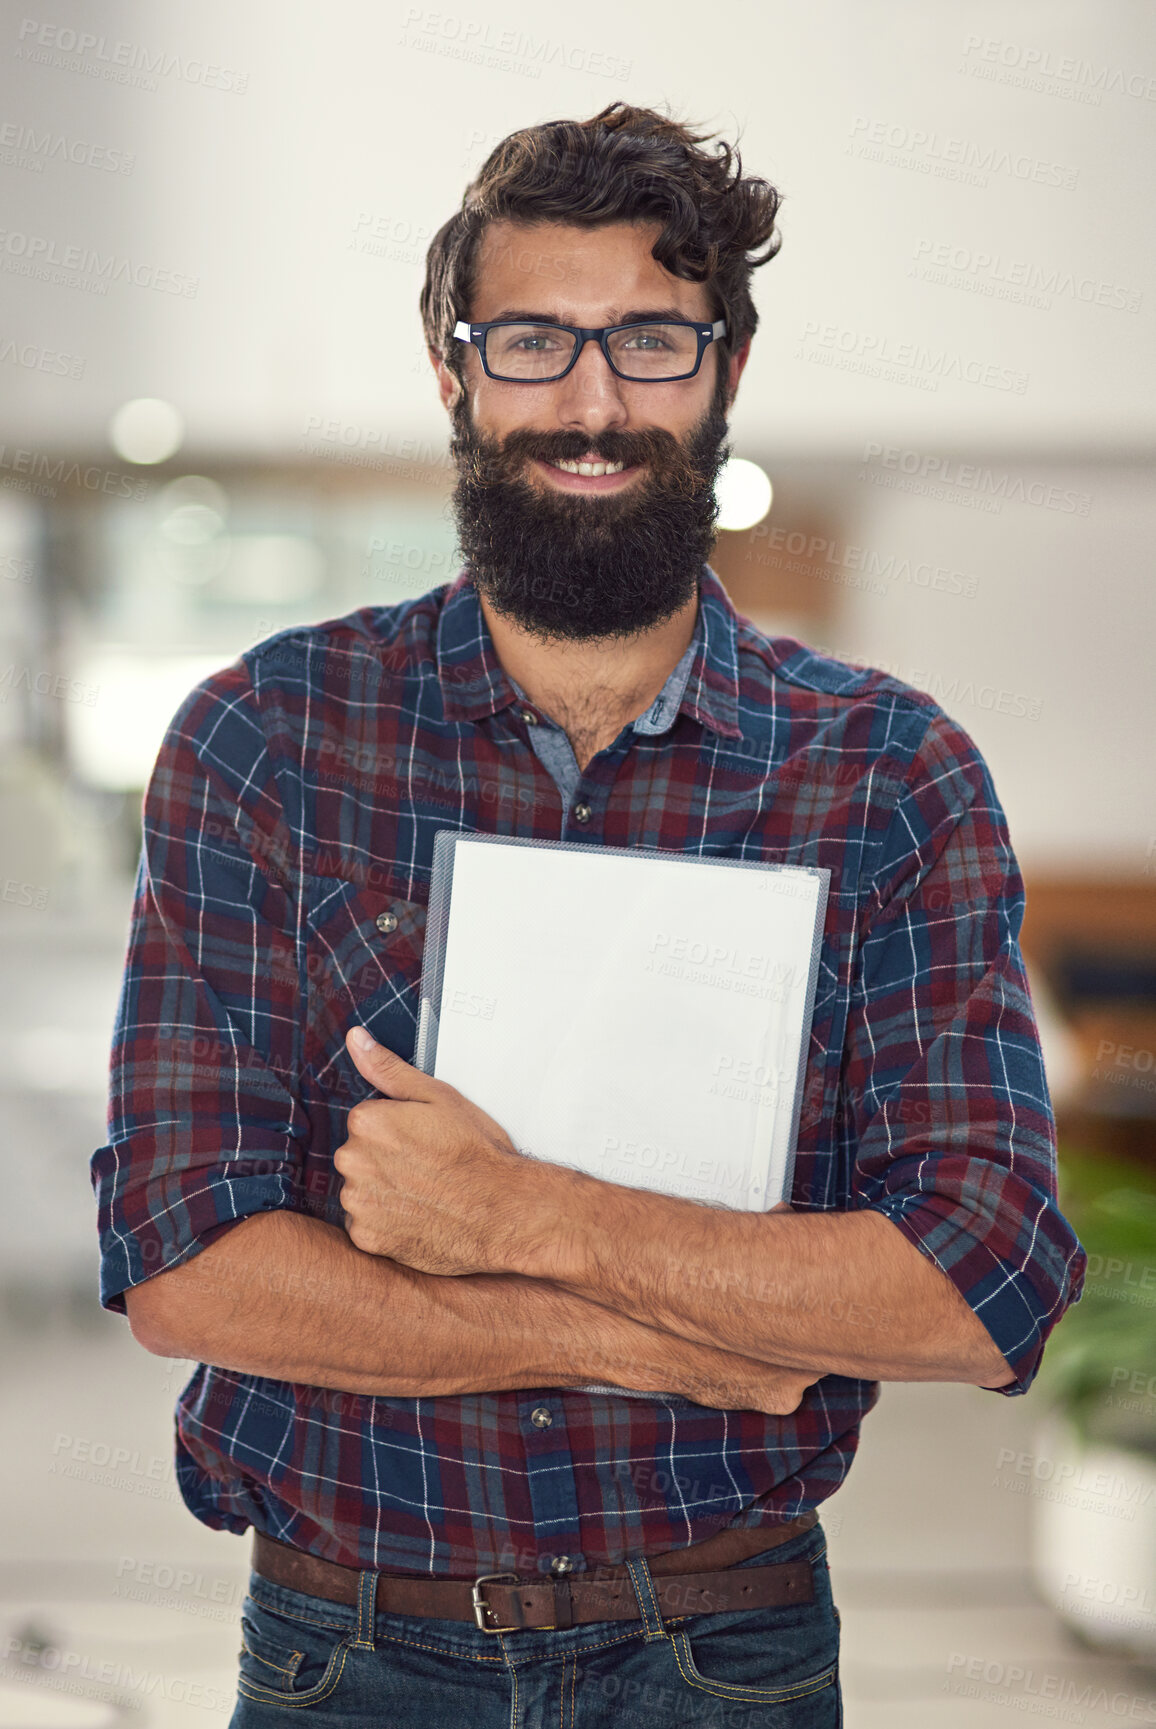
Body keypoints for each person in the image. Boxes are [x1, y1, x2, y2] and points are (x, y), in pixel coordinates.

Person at [91, 101, 1086, 1727]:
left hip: (724, 1649)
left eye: (653, 341)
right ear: (455, 371)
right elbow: (186, 1270)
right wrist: (670, 1336)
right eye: (537, 340)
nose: (595, 401)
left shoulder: (891, 776)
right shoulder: (264, 739)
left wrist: (522, 1215)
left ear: (727, 372)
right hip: (348, 1652)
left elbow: (980, 1281)